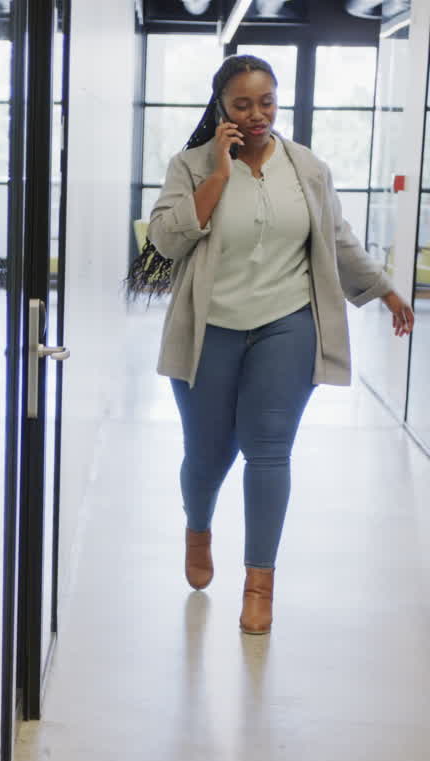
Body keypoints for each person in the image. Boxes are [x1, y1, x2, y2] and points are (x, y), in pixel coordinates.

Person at [137, 54, 413, 635]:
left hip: (287, 324)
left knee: (269, 451)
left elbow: (337, 238)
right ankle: (198, 526)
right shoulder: (188, 165)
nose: (257, 114)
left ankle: (259, 584)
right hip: (209, 327)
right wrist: (217, 174)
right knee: (208, 454)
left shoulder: (306, 166)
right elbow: (163, 240)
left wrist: (385, 291)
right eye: (243, 104)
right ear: (222, 108)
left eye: (266, 101)